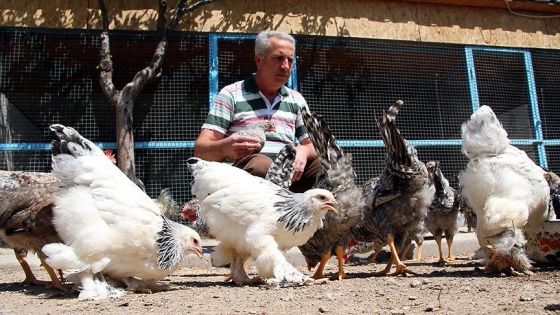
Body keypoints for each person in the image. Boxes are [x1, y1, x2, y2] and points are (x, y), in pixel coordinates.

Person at [193, 30, 319, 193]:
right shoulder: (232, 94)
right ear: (259, 60)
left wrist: (303, 150)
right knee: (261, 165)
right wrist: (226, 147)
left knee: (325, 168)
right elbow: (200, 150)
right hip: (242, 188)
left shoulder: (296, 100)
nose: (285, 66)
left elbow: (315, 145)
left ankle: (315, 217)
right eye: (278, 58)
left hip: (286, 180)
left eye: (290, 60)